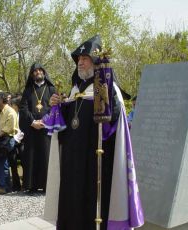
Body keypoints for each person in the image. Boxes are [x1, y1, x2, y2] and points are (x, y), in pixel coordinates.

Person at [50, 35, 143, 230]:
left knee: (93, 203)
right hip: (72, 162)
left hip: (96, 162)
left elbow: (114, 125)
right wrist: (59, 106)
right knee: (72, 202)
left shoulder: (108, 89)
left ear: (95, 62)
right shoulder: (75, 89)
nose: (80, 63)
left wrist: (107, 101)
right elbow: (68, 123)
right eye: (78, 59)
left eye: (84, 59)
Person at [19, 63, 55, 192]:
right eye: (35, 71)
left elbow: (55, 108)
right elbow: (23, 108)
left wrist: (45, 121)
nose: (37, 72)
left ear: (44, 72)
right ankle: (31, 186)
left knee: (46, 157)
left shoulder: (51, 89)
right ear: (31, 74)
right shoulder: (28, 90)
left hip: (46, 129)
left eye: (40, 70)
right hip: (32, 129)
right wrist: (33, 121)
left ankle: (47, 186)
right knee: (31, 157)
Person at [0, 91, 18, 194]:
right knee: (2, 163)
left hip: (7, 139)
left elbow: (8, 128)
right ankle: (5, 186)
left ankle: (4, 186)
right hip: (0, 139)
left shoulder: (10, 112)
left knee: (2, 162)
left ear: (1, 100)